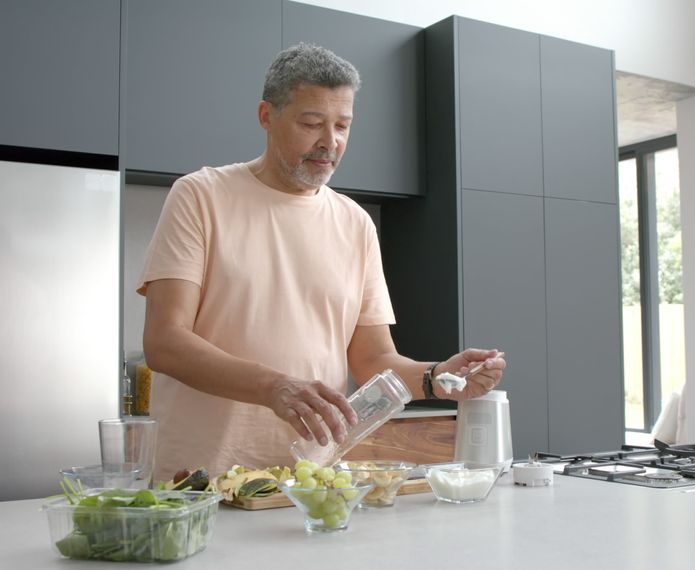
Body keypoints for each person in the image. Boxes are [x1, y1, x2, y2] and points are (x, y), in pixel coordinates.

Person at [138, 43, 506, 479]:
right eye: (311, 123)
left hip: (308, 482)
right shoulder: (200, 196)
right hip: (200, 478)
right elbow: (164, 342)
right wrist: (274, 387)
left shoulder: (355, 224)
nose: (329, 142)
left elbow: (373, 360)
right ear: (266, 117)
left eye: (342, 126)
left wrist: (436, 376)